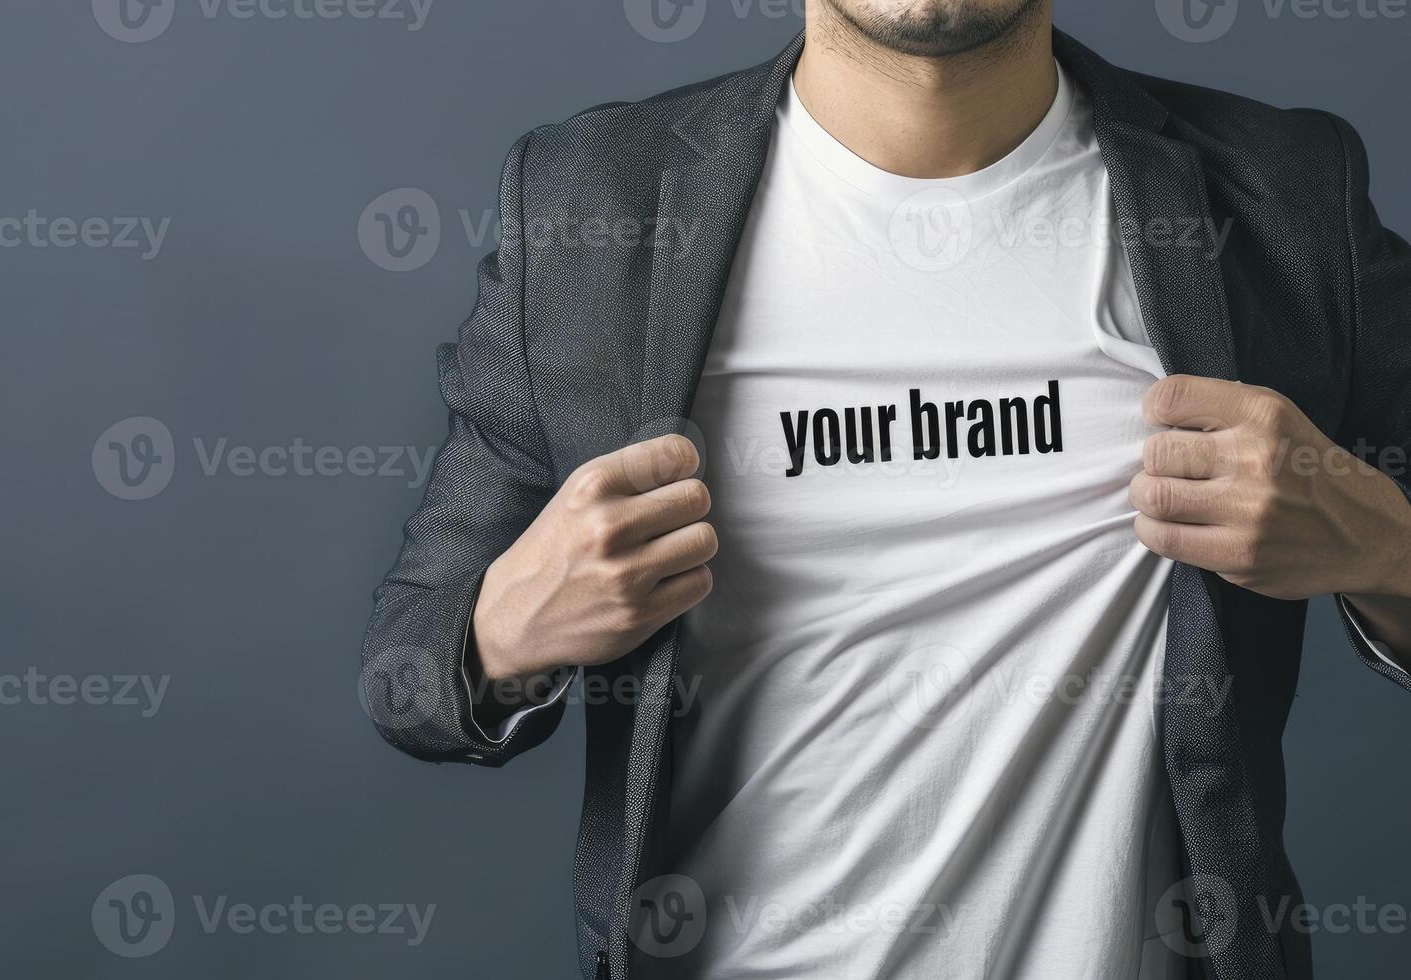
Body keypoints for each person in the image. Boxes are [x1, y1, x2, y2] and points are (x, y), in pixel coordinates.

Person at [360, 2, 1411, 978]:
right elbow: (404, 674)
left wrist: (1383, 545)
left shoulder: (1281, 196)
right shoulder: (587, 206)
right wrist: (502, 628)